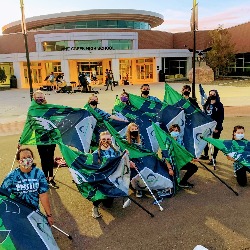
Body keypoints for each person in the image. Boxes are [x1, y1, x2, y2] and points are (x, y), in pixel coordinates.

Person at [1, 148, 54, 226]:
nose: (27, 160)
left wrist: (49, 215)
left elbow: (43, 195)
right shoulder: (11, 177)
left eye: (29, 157)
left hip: (34, 212)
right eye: (23, 158)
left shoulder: (39, 173)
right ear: (18, 161)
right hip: (17, 214)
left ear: (32, 158)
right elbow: (3, 196)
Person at [91, 131, 136, 218]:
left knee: (109, 204)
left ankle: (124, 197)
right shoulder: (96, 154)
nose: (106, 141)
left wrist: (127, 158)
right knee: (100, 193)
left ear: (111, 140)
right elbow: (93, 167)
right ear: (100, 140)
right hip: (103, 179)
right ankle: (95, 207)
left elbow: (121, 159)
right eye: (104, 139)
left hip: (114, 177)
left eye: (108, 139)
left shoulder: (115, 150)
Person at [33, 90, 58, 189]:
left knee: (50, 157)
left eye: (41, 97)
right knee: (43, 158)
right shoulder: (32, 110)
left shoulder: (49, 108)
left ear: (44, 98)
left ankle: (51, 178)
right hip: (40, 139)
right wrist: (21, 140)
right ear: (34, 98)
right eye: (37, 97)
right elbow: (28, 126)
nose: (39, 99)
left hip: (51, 138)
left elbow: (56, 121)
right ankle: (44, 177)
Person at [163, 124, 198, 188]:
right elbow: (165, 157)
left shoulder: (179, 141)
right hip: (170, 164)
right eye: (175, 131)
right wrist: (170, 169)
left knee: (194, 167)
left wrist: (192, 159)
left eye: (177, 131)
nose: (176, 132)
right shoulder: (167, 143)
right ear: (170, 132)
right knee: (172, 184)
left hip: (178, 162)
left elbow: (183, 153)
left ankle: (183, 182)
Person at [200, 90, 224, 165]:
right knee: (205, 140)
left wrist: (217, 127)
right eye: (210, 94)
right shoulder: (206, 104)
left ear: (216, 95)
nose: (212, 95)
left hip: (216, 126)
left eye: (213, 94)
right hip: (207, 125)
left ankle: (214, 157)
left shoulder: (219, 105)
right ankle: (206, 154)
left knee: (215, 142)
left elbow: (221, 117)